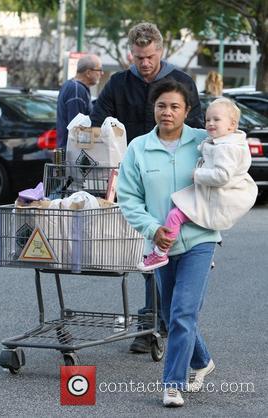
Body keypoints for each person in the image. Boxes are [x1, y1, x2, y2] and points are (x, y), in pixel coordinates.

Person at [91, 21, 204, 354]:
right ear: (131, 53)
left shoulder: (181, 83)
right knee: (148, 250)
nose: (144, 63)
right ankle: (158, 320)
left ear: (161, 51)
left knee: (165, 250)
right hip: (131, 174)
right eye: (139, 57)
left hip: (171, 178)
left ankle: (157, 321)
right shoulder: (117, 84)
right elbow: (100, 121)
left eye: (150, 56)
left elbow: (195, 127)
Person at [117, 79, 221, 407]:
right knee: (171, 315)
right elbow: (129, 197)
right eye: (162, 105)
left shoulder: (204, 142)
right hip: (160, 245)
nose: (167, 112)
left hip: (200, 239)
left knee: (183, 310)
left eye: (175, 106)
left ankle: (172, 385)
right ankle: (202, 360)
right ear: (154, 108)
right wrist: (152, 228)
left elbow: (234, 157)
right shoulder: (138, 148)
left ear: (187, 110)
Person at [139, 97, 258, 271]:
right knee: (183, 209)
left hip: (215, 197)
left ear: (232, 125)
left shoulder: (226, 147)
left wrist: (198, 174)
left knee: (174, 215)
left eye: (216, 120)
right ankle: (202, 256)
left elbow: (222, 176)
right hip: (213, 196)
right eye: (207, 119)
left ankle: (161, 253)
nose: (210, 123)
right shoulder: (226, 142)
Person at [56, 54, 103, 148]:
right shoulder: (76, 90)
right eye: (99, 70)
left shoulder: (72, 86)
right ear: (88, 73)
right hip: (71, 155)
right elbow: (77, 129)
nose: (102, 73)